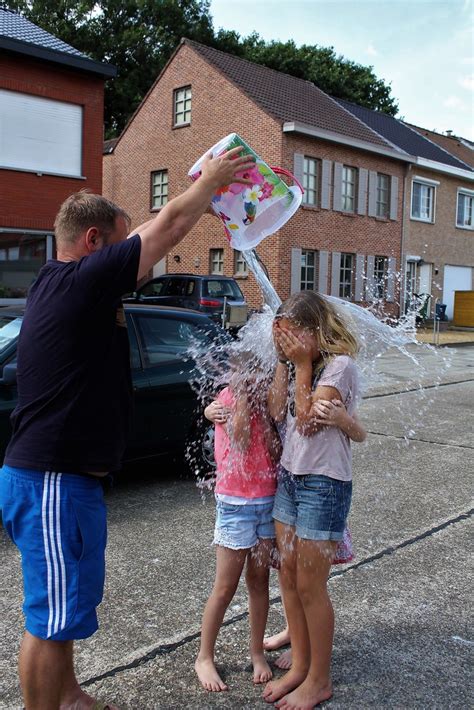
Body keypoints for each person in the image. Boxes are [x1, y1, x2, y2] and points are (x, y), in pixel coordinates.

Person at [0, 146, 256, 710]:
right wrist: (211, 182)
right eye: (118, 245)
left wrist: (188, 205)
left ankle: (66, 696)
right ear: (93, 245)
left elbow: (145, 232)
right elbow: (165, 226)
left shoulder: (63, 281)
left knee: (64, 607)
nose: (133, 262)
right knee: (48, 616)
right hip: (51, 481)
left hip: (65, 482)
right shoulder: (82, 283)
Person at [263, 290, 362, 709]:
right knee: (286, 574)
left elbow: (304, 423)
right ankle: (301, 665)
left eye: (293, 336)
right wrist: (285, 365)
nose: (287, 342)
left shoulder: (339, 367)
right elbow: (276, 412)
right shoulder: (297, 363)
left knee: (309, 584)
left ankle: (319, 679)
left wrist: (302, 364)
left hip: (324, 484)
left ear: (315, 330)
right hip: (291, 478)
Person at [195, 352, 281, 692]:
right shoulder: (230, 398)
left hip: (266, 503)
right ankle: (204, 656)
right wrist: (244, 396)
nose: (255, 378)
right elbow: (242, 439)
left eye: (260, 371)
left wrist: (267, 407)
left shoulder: (268, 402)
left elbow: (274, 453)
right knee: (225, 586)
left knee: (259, 582)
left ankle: (257, 651)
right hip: (235, 505)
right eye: (247, 372)